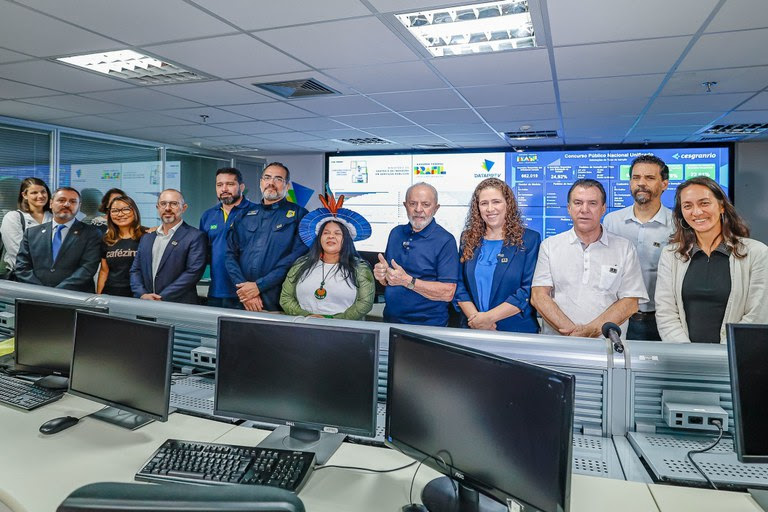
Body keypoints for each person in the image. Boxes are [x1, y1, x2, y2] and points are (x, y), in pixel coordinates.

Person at [655, 176, 768, 343]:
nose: (697, 212)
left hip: (735, 357)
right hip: (685, 359)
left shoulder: (757, 252)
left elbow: (758, 314)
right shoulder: (670, 255)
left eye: (704, 203)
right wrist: (687, 353)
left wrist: (725, 353)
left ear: (722, 206)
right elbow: (666, 313)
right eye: (687, 206)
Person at [531, 179, 648, 339]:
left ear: (603, 208)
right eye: (578, 203)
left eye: (592, 203)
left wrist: (591, 330)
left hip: (607, 346)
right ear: (569, 208)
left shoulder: (624, 248)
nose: (584, 210)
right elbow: (539, 296)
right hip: (558, 345)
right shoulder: (549, 246)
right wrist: (572, 333)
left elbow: (630, 302)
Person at [455, 178, 540, 333]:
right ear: (477, 208)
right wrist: (477, 320)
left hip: (514, 331)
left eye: (496, 202)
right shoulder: (467, 238)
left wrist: (488, 319)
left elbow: (526, 290)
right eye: (484, 203)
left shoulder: (529, 240)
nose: (490, 208)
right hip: (472, 328)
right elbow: (459, 285)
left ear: (508, 204)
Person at [603, 155, 673, 341]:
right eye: (636, 178)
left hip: (660, 320)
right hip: (618, 318)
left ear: (664, 184)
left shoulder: (677, 224)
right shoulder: (612, 221)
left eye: (649, 178)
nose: (641, 183)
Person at [225, 162, 308, 312]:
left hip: (276, 301)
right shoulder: (243, 215)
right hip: (242, 300)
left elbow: (295, 259)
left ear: (287, 186)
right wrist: (246, 291)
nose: (271, 183)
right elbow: (230, 255)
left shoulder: (299, 215)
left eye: (278, 179)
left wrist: (259, 286)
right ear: (261, 182)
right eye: (267, 178)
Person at [373, 182, 459, 326]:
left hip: (427, 327)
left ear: (436, 208)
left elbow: (448, 292)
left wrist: (408, 281)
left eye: (425, 204)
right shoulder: (396, 233)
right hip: (391, 321)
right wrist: (382, 275)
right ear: (405, 205)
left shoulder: (445, 240)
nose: (418, 209)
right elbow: (390, 280)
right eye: (413, 203)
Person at [280, 191, 374, 320]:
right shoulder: (301, 264)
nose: (331, 236)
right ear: (319, 238)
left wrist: (331, 321)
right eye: (326, 233)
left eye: (337, 233)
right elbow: (285, 298)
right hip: (303, 327)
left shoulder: (360, 268)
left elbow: (365, 304)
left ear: (346, 239)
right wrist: (309, 317)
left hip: (345, 332)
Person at [14, 187, 101, 292]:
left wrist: (57, 292)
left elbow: (87, 268)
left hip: (74, 297)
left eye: (73, 201)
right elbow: (22, 267)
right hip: (36, 297)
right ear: (51, 203)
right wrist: (41, 291)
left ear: (79, 206)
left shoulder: (92, 233)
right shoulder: (31, 233)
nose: (66, 204)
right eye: (61, 200)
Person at [129, 189, 206, 304]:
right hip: (146, 304)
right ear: (157, 207)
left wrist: (160, 297)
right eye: (163, 204)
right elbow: (135, 270)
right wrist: (142, 294)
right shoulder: (146, 238)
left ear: (184, 208)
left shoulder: (195, 236)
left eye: (174, 204)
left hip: (179, 305)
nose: (167, 208)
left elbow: (193, 273)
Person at [199, 168, 257, 309]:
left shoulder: (257, 213)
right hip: (216, 292)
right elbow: (201, 251)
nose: (224, 189)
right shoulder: (208, 215)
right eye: (219, 185)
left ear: (241, 187)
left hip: (248, 294)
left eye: (230, 184)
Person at [1, 178, 52, 278]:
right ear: (24, 195)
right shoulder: (14, 217)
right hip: (23, 276)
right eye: (34, 193)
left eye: (43, 192)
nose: (40, 196)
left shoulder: (54, 217)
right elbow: (17, 253)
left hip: (52, 276)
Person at [97, 195, 146, 297]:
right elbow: (104, 271)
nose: (120, 214)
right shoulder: (107, 239)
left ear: (134, 211)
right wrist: (99, 297)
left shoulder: (146, 236)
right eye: (115, 211)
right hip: (110, 294)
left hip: (138, 294)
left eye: (126, 209)